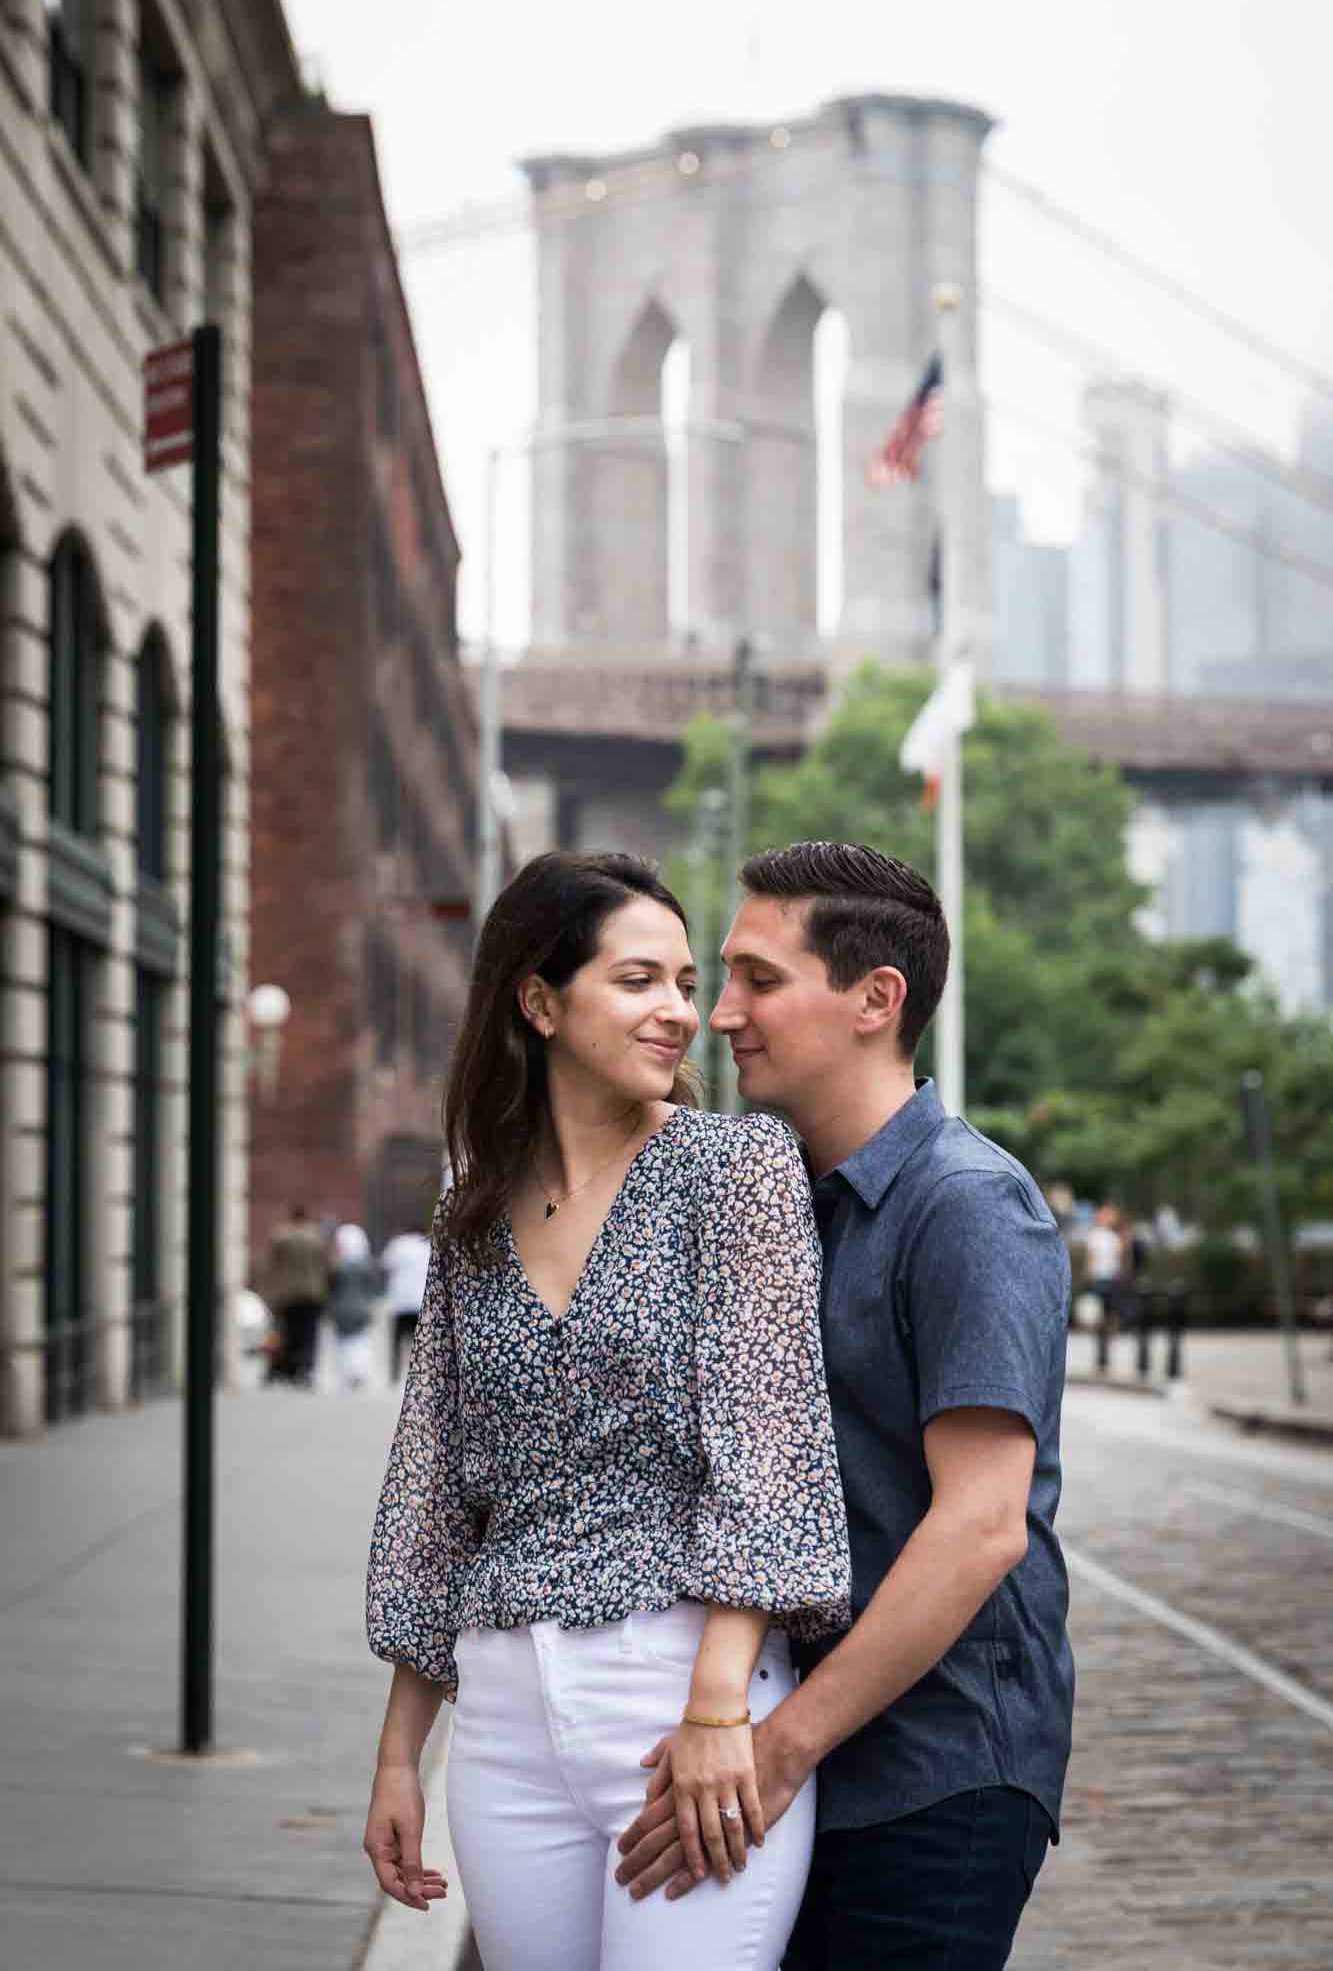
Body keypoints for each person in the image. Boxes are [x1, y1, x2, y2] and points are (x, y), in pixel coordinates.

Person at [362, 851, 851, 1971]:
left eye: (684, 983)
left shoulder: (734, 1168)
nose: (681, 1011)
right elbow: (432, 1486)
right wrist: (400, 1755)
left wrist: (718, 1711)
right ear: (539, 1000)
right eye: (640, 980)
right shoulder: (467, 1213)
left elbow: (766, 1452)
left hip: (678, 1690)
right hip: (501, 1714)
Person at [617, 841, 1074, 1971]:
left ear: (877, 1000)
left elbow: (980, 1524)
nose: (720, 1014)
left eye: (759, 980)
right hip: (809, 1751)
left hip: (933, 1768)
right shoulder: (784, 1203)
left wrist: (777, 1748)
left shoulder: (966, 1206)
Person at [265, 1204, 328, 1387]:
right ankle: (306, 1368)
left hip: (288, 1292)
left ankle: (290, 1369)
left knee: (289, 1331)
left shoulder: (281, 1236)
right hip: (312, 1292)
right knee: (309, 1333)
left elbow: (273, 1264)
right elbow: (324, 1264)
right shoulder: (316, 1236)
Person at [379, 1223, 432, 1383]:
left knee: (397, 1341)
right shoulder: (427, 1245)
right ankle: (421, 1373)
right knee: (422, 1342)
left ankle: (394, 1373)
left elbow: (384, 1265)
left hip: (400, 1301)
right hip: (420, 1301)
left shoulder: (397, 1244)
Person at [329, 1223, 380, 1391]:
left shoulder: (338, 1267)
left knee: (343, 1342)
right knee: (360, 1340)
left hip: (341, 1309)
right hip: (361, 1308)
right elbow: (372, 1288)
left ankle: (346, 1372)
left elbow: (331, 1287)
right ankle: (359, 1371)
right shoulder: (366, 1266)